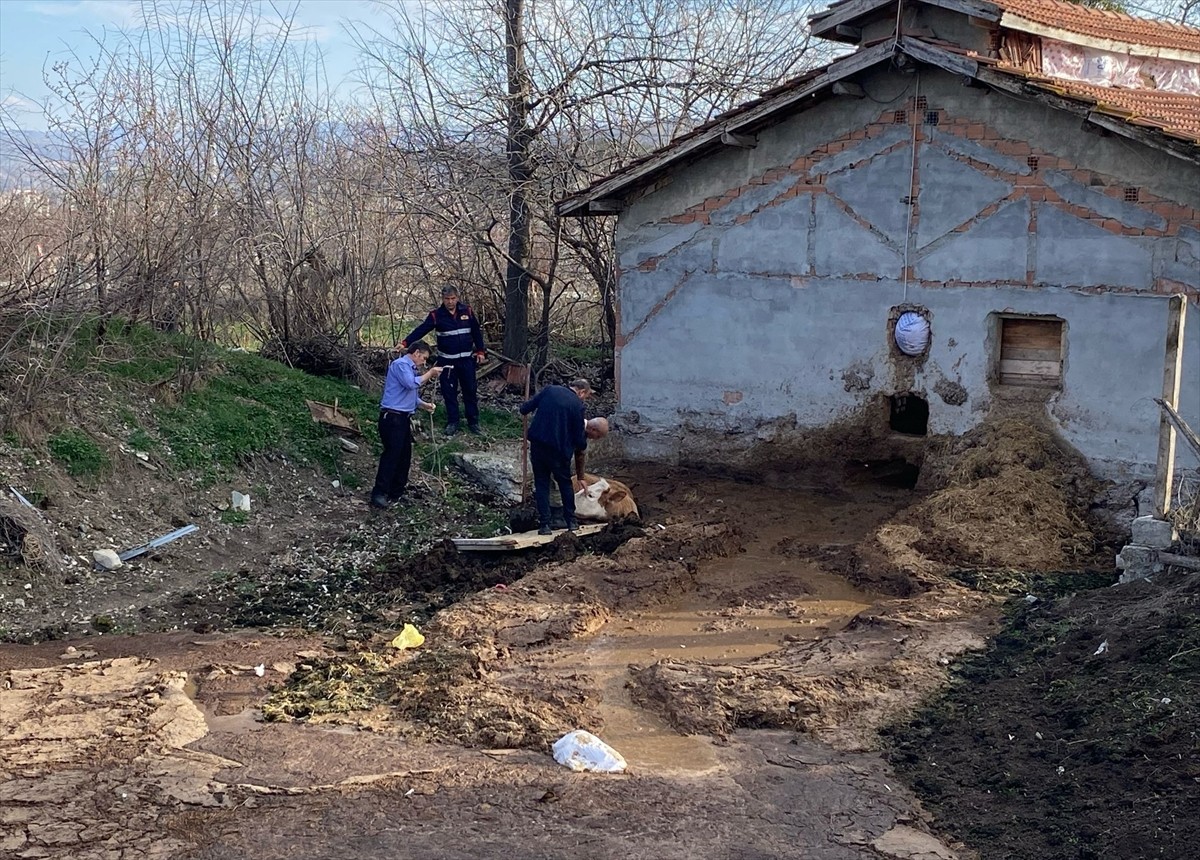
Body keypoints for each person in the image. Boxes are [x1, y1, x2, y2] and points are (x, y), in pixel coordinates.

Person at [400, 285, 487, 436]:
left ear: (457, 298)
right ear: (443, 299)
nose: (450, 302)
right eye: (447, 299)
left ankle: (473, 422)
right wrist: (405, 343)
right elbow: (421, 330)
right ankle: (453, 422)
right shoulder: (436, 315)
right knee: (449, 393)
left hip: (466, 361)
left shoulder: (467, 311)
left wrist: (480, 351)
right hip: (447, 362)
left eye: (453, 298)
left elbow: (476, 332)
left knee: (470, 391)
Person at [370, 342, 443, 510]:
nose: (424, 362)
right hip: (392, 417)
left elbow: (409, 394)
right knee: (391, 455)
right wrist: (430, 373)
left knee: (404, 457)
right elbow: (411, 384)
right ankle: (379, 492)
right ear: (416, 353)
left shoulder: (411, 369)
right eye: (424, 358)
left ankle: (396, 492)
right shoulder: (401, 365)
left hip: (403, 418)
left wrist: (424, 405)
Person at [520, 378, 594, 535]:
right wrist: (581, 446)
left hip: (538, 446)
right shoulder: (577, 405)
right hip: (559, 452)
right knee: (565, 484)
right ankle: (571, 522)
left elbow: (525, 408)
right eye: (586, 396)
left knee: (541, 484)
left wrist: (524, 409)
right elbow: (578, 436)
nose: (584, 399)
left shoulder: (550, 390)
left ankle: (544, 525)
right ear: (581, 392)